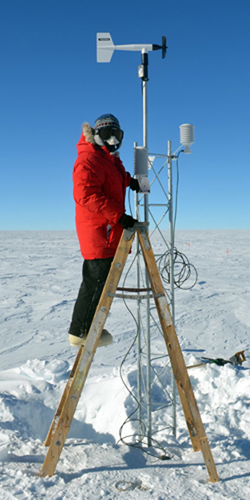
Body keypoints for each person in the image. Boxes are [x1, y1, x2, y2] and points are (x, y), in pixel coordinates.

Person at [68, 114, 140, 347]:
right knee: (95, 283)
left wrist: (131, 182)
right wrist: (119, 216)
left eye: (116, 135)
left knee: (102, 284)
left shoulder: (107, 159)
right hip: (100, 232)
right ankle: (80, 332)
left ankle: (91, 327)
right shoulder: (87, 160)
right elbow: (86, 195)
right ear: (96, 135)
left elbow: (115, 177)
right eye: (107, 135)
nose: (112, 141)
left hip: (109, 232)